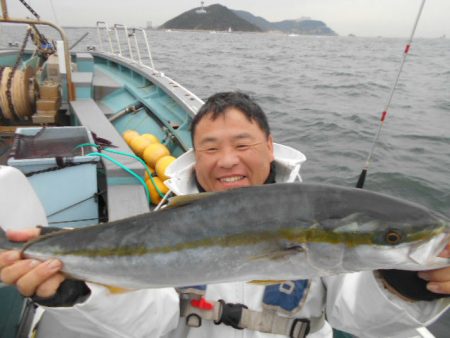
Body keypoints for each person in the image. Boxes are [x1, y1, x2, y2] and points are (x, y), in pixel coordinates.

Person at [1, 91, 449, 338]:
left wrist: (410, 282)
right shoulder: (169, 216)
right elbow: (152, 321)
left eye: (242, 144)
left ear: (270, 147)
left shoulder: (315, 213)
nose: (227, 161)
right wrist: (80, 293)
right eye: (210, 149)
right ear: (194, 157)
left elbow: (361, 318)